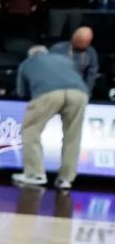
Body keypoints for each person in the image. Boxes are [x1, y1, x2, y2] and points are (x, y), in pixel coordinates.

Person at [12, 46, 89, 190]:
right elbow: (77, 75)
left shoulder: (27, 64)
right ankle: (66, 179)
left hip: (47, 93)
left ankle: (35, 174)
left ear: (30, 55)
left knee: (30, 130)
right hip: (79, 93)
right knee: (72, 136)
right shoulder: (64, 59)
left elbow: (21, 92)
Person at [50, 26, 98, 94]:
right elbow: (49, 70)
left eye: (86, 42)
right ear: (74, 39)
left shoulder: (91, 52)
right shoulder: (58, 49)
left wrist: (87, 92)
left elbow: (91, 75)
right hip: (57, 88)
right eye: (81, 42)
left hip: (78, 90)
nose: (84, 44)